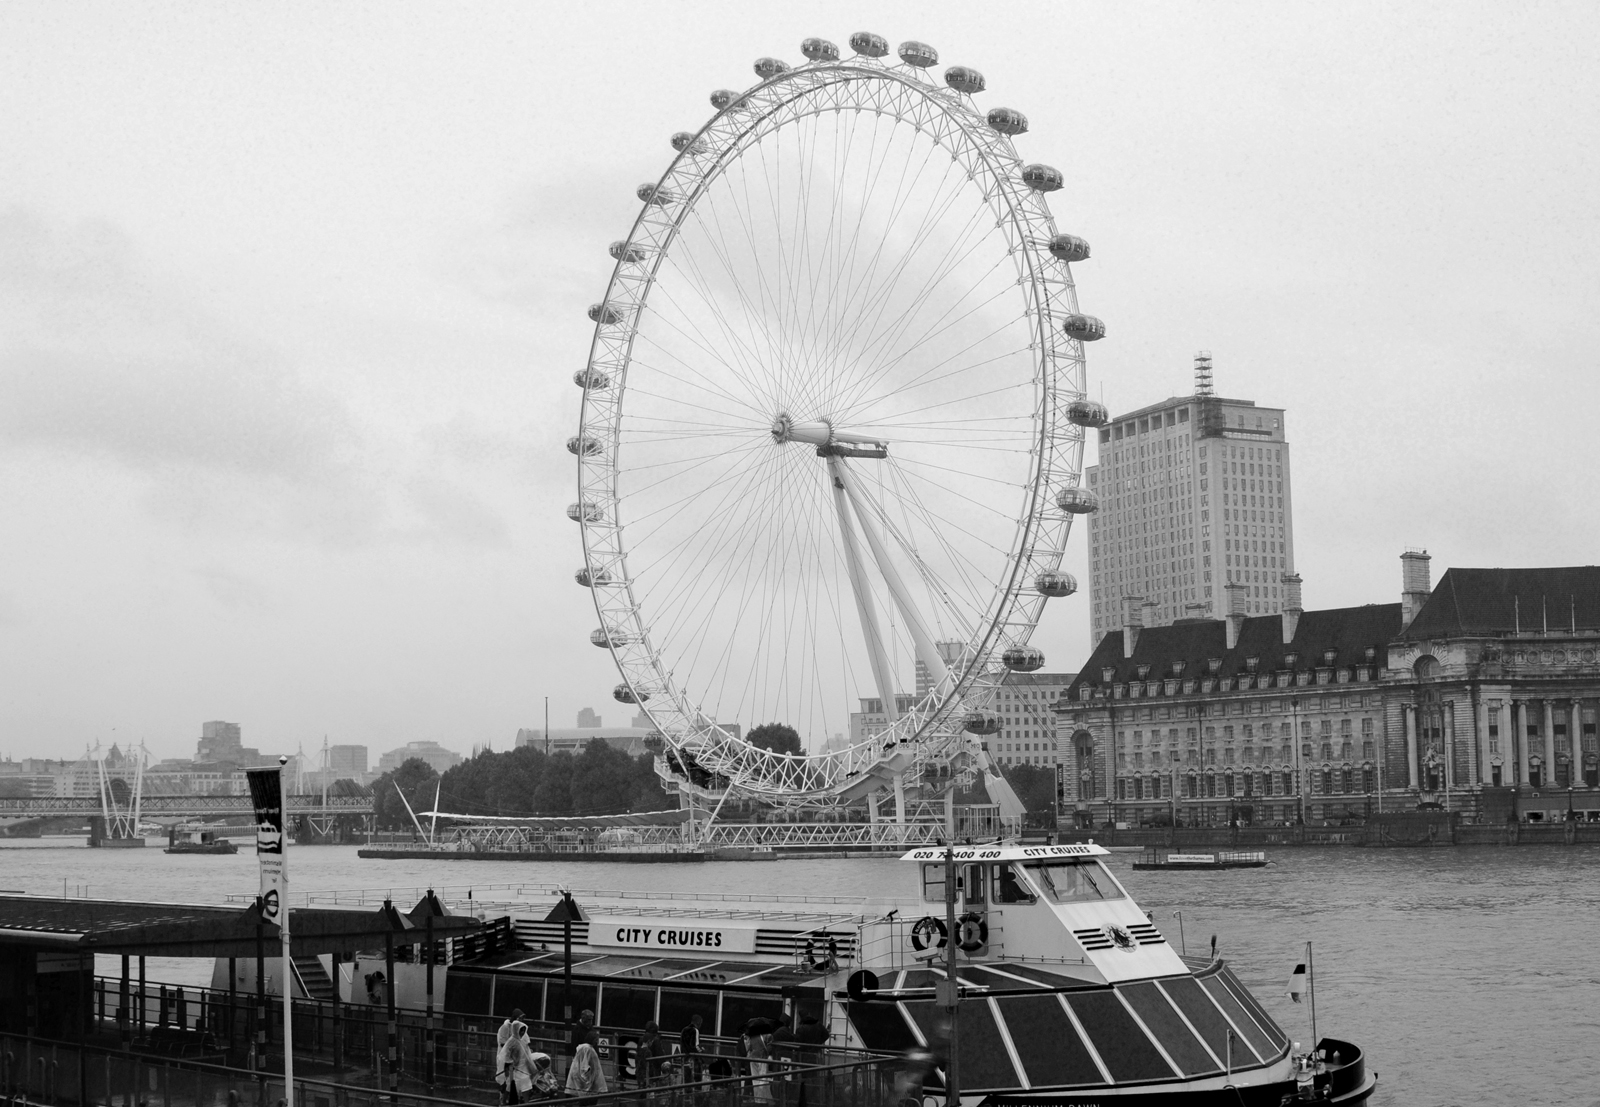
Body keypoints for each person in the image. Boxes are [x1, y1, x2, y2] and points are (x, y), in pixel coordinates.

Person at [566, 1028, 609, 1097]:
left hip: (579, 1074)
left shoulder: (583, 1048)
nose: (597, 1041)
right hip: (589, 1078)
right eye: (596, 1039)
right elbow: (585, 1065)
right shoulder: (589, 1049)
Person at [635, 1021, 665, 1089]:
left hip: (640, 1071)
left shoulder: (642, 1039)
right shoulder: (655, 1040)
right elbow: (660, 1056)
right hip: (652, 1071)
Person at [679, 1013, 703, 1083]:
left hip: (684, 1057)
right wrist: (701, 1051)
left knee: (686, 1079)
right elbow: (695, 1046)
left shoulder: (684, 1030)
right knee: (696, 1079)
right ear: (698, 1022)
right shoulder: (695, 1030)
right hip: (693, 1059)